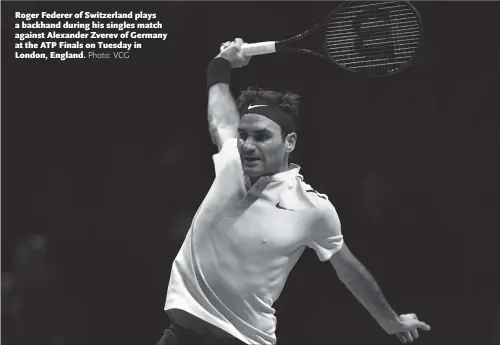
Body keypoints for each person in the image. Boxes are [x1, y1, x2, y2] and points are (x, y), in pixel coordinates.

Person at [157, 38, 431, 345]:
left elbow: (349, 271)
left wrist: (390, 320)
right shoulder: (230, 162)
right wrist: (219, 65)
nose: (247, 145)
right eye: (243, 135)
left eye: (262, 136)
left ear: (290, 142)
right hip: (179, 336)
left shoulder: (311, 207)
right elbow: (220, 115)